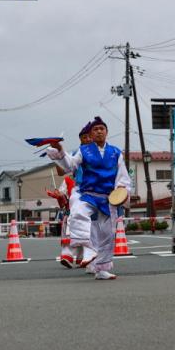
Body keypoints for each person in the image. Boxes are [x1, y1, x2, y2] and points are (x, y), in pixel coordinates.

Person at [45, 117, 131, 280]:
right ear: (91, 134)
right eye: (96, 129)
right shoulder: (84, 151)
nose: (99, 131)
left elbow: (123, 177)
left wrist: (122, 191)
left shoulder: (116, 152)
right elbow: (70, 166)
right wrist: (60, 150)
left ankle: (101, 269)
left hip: (107, 198)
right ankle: (88, 247)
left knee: (106, 235)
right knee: (78, 212)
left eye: (102, 128)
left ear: (106, 132)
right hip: (88, 194)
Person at [54, 123, 92, 268]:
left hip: (99, 192)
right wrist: (58, 155)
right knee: (74, 226)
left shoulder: (106, 151)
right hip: (80, 196)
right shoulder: (78, 153)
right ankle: (69, 255)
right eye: (84, 137)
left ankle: (91, 261)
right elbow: (64, 169)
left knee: (96, 228)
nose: (87, 139)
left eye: (89, 136)